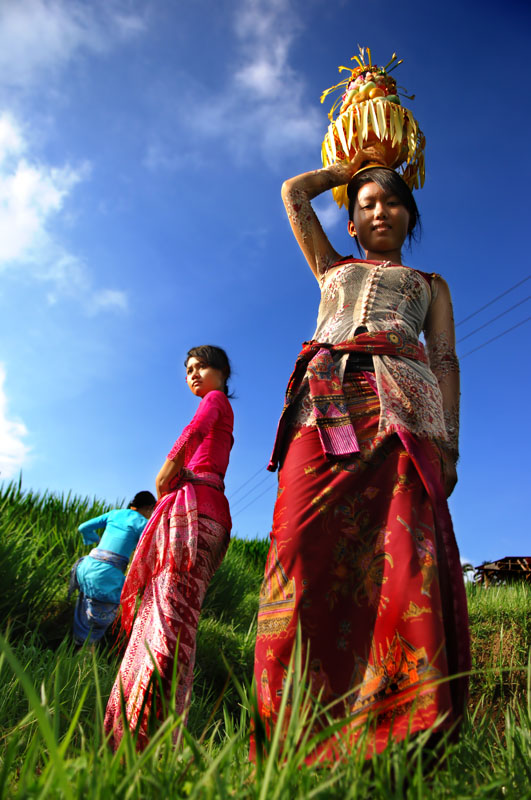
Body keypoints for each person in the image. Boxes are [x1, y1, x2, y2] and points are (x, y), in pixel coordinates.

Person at [252, 149, 470, 761]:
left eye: (393, 201)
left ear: (410, 216)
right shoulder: (331, 268)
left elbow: (447, 361)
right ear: (350, 222)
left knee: (400, 555)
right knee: (298, 548)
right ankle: (290, 737)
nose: (380, 211)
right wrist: (352, 170)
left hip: (403, 413)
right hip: (322, 409)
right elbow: (295, 193)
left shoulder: (431, 286)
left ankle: (401, 735)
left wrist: (449, 447)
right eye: (367, 204)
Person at [104, 345, 234, 750]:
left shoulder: (215, 402)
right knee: (171, 625)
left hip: (194, 514)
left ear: (222, 372)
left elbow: (195, 430)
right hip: (206, 514)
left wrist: (167, 470)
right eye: (188, 369)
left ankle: (142, 741)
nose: (193, 374)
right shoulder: (222, 410)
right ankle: (148, 736)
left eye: (202, 366)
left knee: (164, 627)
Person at [70, 491, 156, 645]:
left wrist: (94, 540)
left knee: (84, 614)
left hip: (86, 567)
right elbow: (149, 552)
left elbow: (83, 527)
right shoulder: (143, 523)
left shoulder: (114, 514)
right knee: (96, 624)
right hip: (106, 576)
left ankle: (72, 651)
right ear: (149, 508)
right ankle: (84, 660)